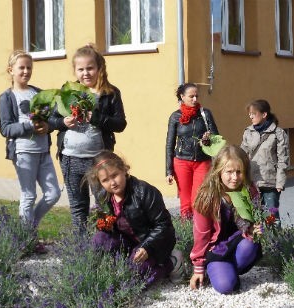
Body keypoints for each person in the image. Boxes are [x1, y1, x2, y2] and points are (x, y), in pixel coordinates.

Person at [49, 44, 127, 233]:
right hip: (70, 158)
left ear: (99, 68)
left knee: (103, 205)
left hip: (98, 160)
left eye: (90, 68)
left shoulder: (110, 93)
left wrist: (98, 118)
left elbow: (120, 124)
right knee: (78, 207)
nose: (86, 73)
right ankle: (81, 248)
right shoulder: (68, 91)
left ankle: (106, 243)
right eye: (81, 69)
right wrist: (62, 122)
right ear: (75, 70)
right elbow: (51, 120)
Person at [86, 151, 184, 284]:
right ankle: (111, 271)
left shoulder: (144, 191)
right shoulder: (103, 197)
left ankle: (171, 263)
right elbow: (106, 231)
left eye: (115, 175)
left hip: (153, 243)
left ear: (124, 170)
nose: (112, 183)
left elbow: (163, 225)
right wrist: (102, 224)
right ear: (100, 183)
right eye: (105, 180)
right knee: (99, 239)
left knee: (134, 276)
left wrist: (147, 247)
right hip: (129, 241)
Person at [0, 50, 60, 254]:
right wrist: (29, 127)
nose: (26, 71)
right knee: (29, 195)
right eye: (21, 67)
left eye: (29, 67)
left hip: (43, 151)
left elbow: (51, 120)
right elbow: (6, 129)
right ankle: (26, 241)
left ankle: (28, 227)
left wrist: (47, 127)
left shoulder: (38, 93)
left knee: (53, 193)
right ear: (11, 70)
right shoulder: (7, 97)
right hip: (23, 152)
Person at [189, 144, 262, 294]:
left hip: (240, 241)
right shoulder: (207, 196)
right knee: (226, 287)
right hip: (217, 248)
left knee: (251, 244)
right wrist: (198, 267)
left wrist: (259, 227)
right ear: (218, 171)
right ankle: (222, 271)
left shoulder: (249, 190)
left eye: (239, 172)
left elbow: (257, 216)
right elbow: (201, 235)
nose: (235, 178)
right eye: (229, 172)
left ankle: (230, 270)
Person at [165, 83, 219, 220]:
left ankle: (199, 231)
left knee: (198, 200)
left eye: (196, 96)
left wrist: (208, 139)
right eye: (191, 96)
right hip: (182, 162)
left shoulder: (205, 114)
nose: (195, 99)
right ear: (182, 97)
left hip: (202, 161)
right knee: (185, 202)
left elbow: (216, 137)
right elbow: (169, 144)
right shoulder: (175, 117)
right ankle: (186, 235)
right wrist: (168, 171)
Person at [240, 99, 289, 220]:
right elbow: (242, 154)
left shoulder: (278, 133)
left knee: (271, 218)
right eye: (249, 114)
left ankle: (274, 239)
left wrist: (280, 183)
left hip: (270, 183)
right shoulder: (248, 132)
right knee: (253, 217)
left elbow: (283, 159)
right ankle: (256, 239)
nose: (250, 116)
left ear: (264, 114)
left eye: (253, 113)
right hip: (251, 181)